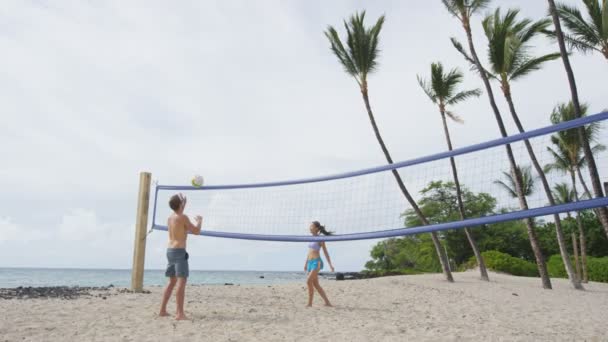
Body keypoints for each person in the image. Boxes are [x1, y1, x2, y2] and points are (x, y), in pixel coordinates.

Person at [158, 193, 202, 320]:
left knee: (172, 282)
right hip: (179, 252)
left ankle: (162, 310)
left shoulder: (170, 218)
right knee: (181, 282)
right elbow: (197, 231)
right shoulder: (183, 217)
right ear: (180, 205)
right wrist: (199, 221)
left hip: (170, 251)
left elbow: (180, 224)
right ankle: (179, 313)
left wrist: (182, 203)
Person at [304, 221, 335, 307]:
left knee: (308, 281)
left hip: (316, 262)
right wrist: (306, 263)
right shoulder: (310, 238)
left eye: (311, 226)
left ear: (316, 228)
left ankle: (310, 303)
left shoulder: (320, 239)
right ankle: (327, 302)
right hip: (310, 262)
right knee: (316, 284)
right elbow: (309, 252)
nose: (310, 228)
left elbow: (325, 252)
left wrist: (330, 265)